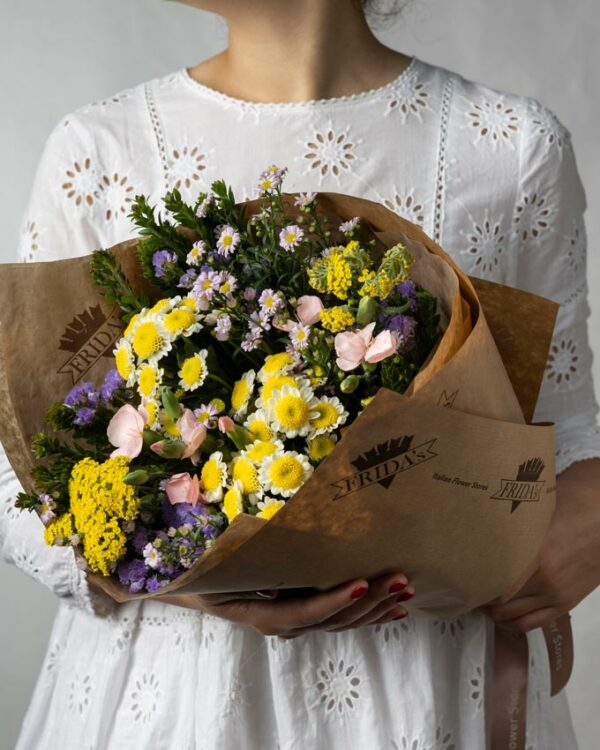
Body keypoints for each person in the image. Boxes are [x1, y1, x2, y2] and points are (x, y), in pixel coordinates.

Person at [3, 0, 600, 747]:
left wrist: (590, 516)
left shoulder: (511, 148)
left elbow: (567, 429)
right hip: (176, 696)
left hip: (430, 682)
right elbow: (18, 478)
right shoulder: (99, 150)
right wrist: (192, 578)